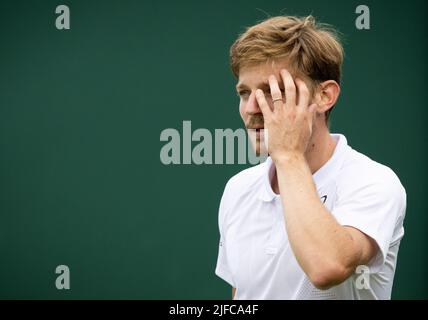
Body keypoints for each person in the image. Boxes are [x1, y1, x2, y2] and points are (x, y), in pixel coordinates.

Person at [215, 15, 407, 300]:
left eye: (272, 91)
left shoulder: (374, 182)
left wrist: (289, 156)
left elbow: (326, 267)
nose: (251, 108)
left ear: (324, 96)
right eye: (244, 93)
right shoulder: (238, 188)